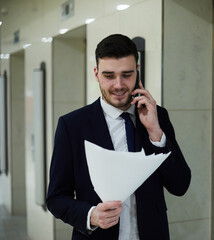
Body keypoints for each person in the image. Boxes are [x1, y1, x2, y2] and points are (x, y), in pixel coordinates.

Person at [46, 34, 191, 240]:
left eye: (127, 74)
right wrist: (91, 216)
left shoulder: (158, 116)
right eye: (109, 75)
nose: (119, 85)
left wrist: (155, 133)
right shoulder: (72, 125)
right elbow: (56, 198)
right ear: (96, 74)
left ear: (137, 72)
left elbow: (180, 185)